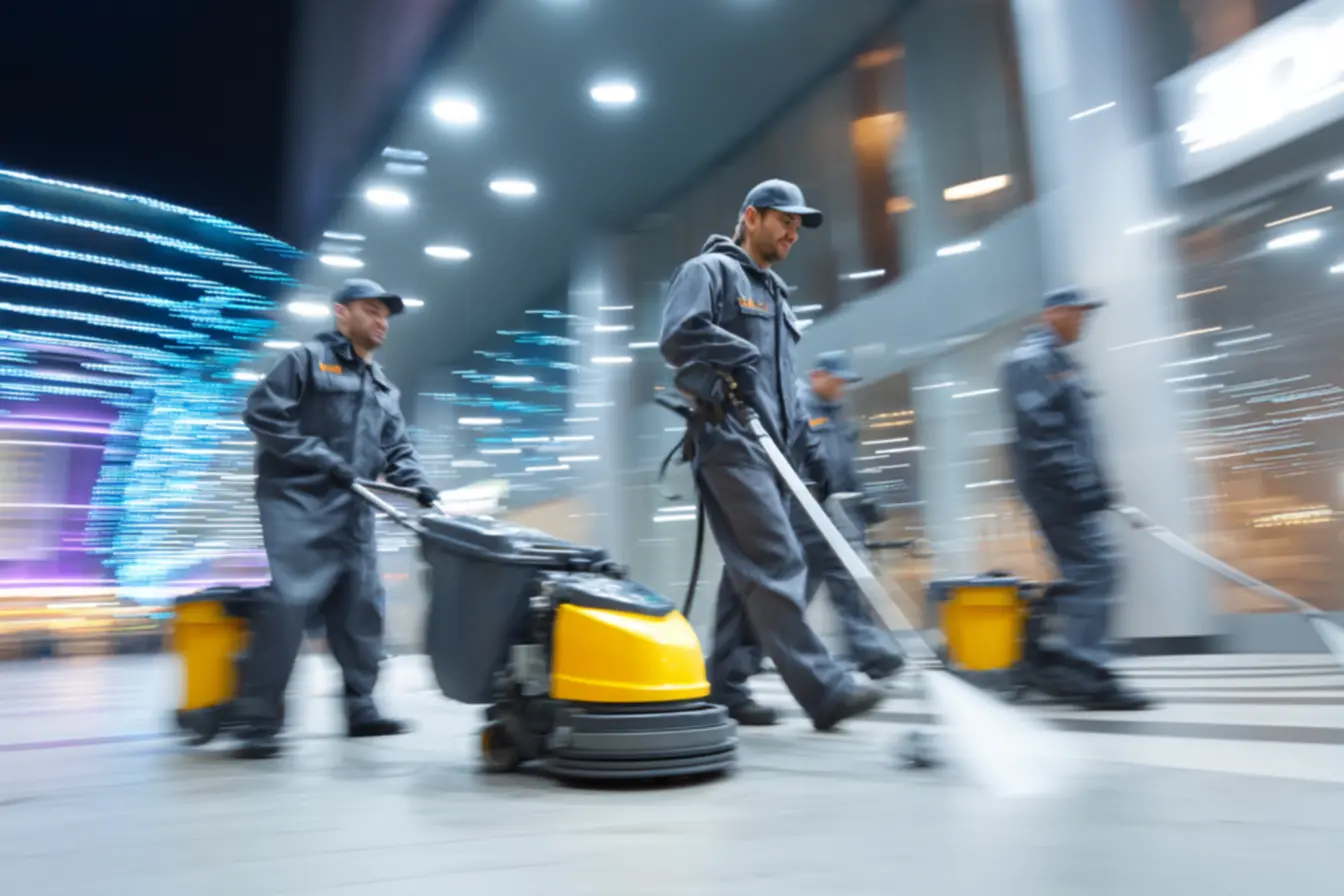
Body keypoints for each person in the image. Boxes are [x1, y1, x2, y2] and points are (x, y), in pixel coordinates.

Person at [659, 178, 886, 730]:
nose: (792, 232)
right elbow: (678, 336)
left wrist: (815, 459)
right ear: (751, 216)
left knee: (747, 574)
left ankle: (726, 682)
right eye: (784, 219)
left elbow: (784, 387)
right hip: (731, 443)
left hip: (775, 454)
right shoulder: (710, 272)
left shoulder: (775, 295)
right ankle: (824, 689)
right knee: (777, 561)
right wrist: (738, 353)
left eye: (798, 225)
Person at [234, 278, 441, 758]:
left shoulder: (383, 385)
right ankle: (258, 720)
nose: (381, 322)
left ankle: (361, 708)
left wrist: (417, 482)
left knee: (361, 608)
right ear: (341, 313)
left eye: (385, 315)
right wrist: (322, 458)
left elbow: (396, 447)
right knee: (288, 606)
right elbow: (262, 414)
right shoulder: (308, 360)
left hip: (355, 508)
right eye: (371, 311)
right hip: (299, 505)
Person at [1000, 287, 1151, 711]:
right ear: (1054, 313)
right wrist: (1081, 482)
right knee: (1097, 568)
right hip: (1057, 491)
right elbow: (1041, 434)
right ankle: (1082, 669)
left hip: (1069, 488)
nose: (1084, 321)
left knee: (1089, 572)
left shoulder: (1059, 363)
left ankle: (1041, 656)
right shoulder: (1031, 361)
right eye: (1078, 313)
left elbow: (1073, 435)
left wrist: (1095, 481)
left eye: (1087, 314)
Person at [788, 351, 905, 679]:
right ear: (818, 376)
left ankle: (863, 652)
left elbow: (845, 466)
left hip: (833, 512)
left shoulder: (836, 415)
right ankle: (865, 651)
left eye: (845, 382)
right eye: (838, 380)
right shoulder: (800, 407)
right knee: (822, 581)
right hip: (807, 511)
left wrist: (866, 502)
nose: (843, 388)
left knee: (819, 585)